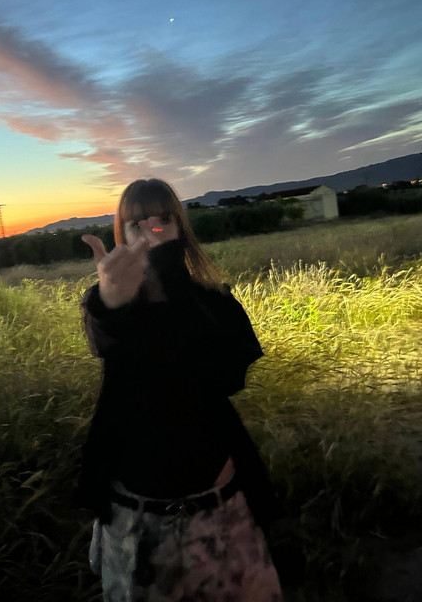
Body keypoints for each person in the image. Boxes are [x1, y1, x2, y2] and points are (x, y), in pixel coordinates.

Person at [77, 178, 282, 601]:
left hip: (219, 504)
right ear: (121, 234)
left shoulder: (213, 303)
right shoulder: (113, 303)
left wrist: (171, 280)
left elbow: (228, 376)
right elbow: (104, 338)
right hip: (135, 513)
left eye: (162, 220)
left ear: (181, 228)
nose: (151, 232)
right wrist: (110, 304)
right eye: (137, 224)